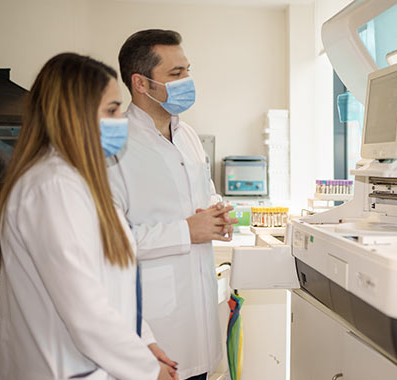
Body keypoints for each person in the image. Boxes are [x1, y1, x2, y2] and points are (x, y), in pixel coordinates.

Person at [0, 53, 177, 380]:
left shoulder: (81, 182)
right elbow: (85, 312)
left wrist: (143, 340)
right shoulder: (52, 188)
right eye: (111, 110)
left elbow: (111, 283)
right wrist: (151, 371)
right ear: (72, 115)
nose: (121, 118)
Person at [109, 29, 237, 380]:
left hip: (200, 323)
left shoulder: (189, 135)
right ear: (141, 83)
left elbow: (204, 192)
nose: (187, 81)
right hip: (154, 327)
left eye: (188, 71)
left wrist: (216, 212)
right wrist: (185, 231)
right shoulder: (116, 146)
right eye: (176, 74)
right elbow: (108, 242)